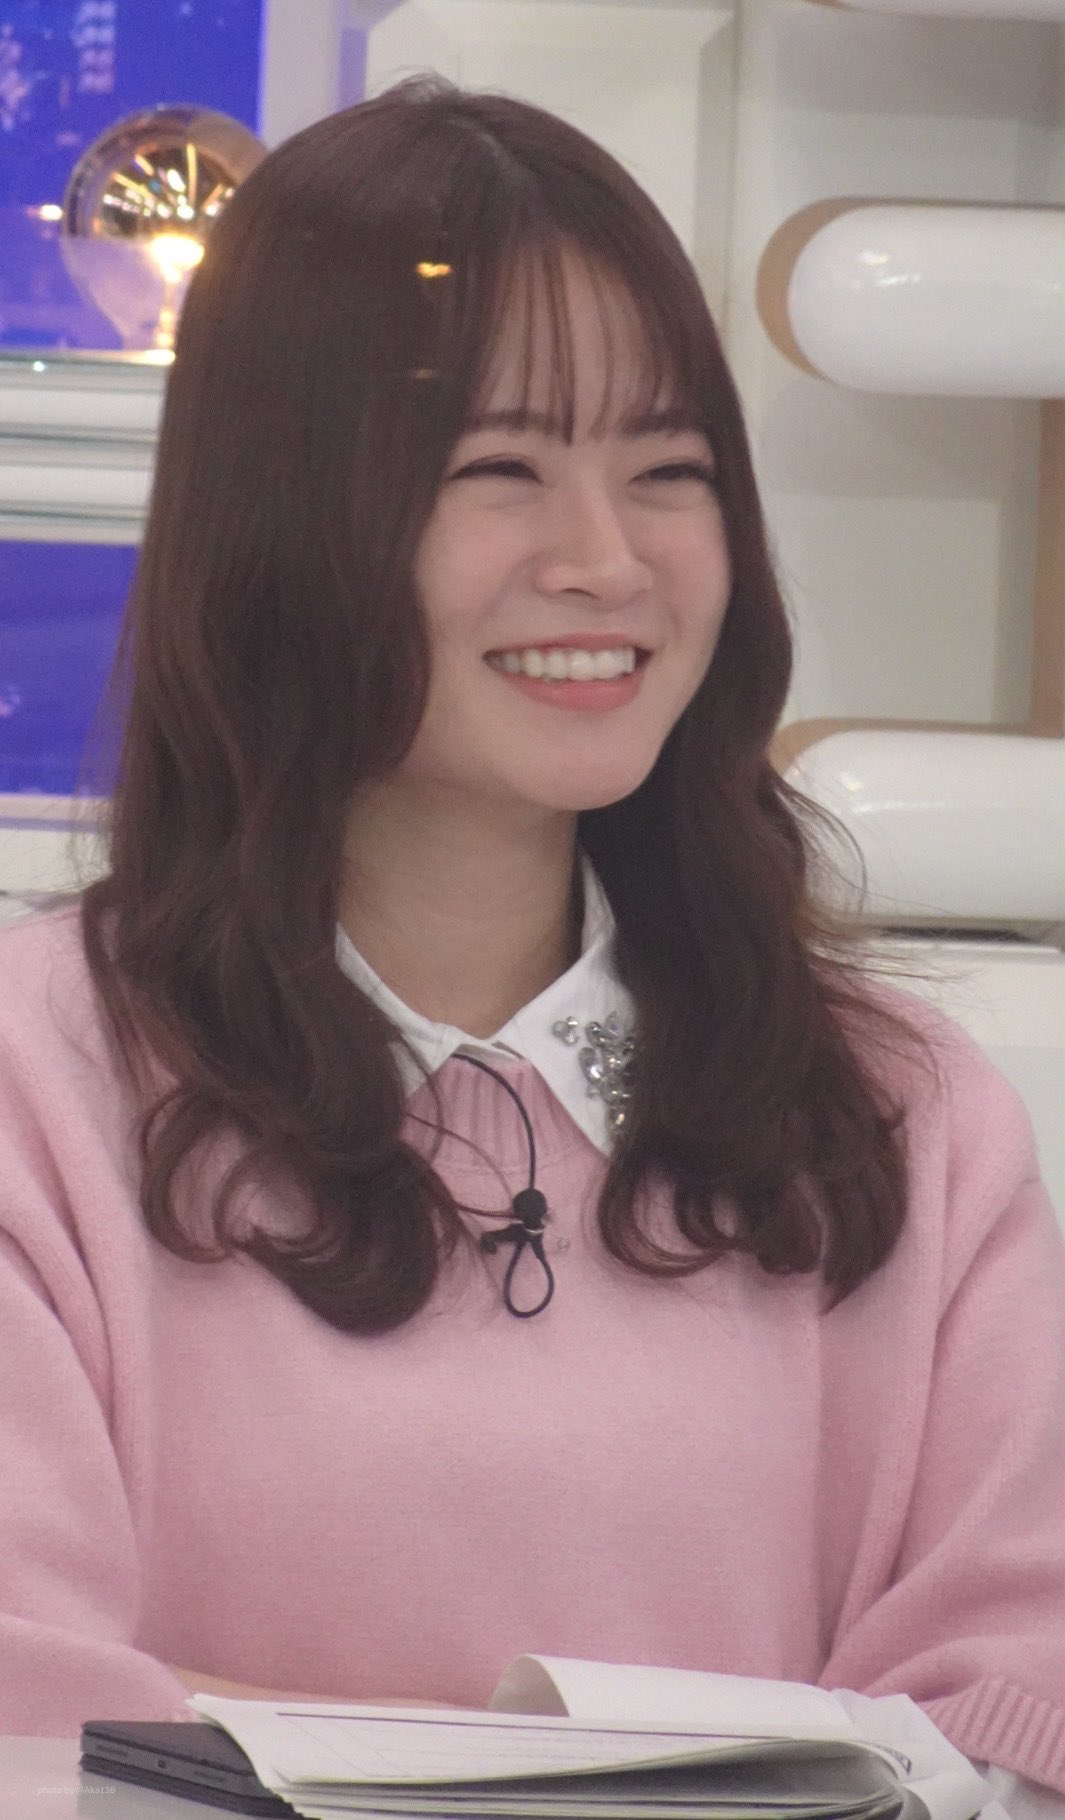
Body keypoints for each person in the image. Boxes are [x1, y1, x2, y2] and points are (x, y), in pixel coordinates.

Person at [0, 76, 1062, 1814]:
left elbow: (1014, 1716)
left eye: (668, 472)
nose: (606, 561)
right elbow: (33, 1719)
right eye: (499, 471)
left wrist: (294, 1739)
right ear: (283, 519)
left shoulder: (905, 1112)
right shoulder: (37, 1086)